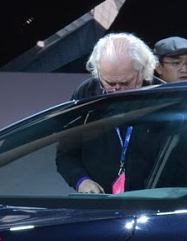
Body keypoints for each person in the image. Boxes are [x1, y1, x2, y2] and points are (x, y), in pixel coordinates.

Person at [57, 33, 157, 192]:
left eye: (125, 83)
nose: (117, 90)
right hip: (101, 200)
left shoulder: (163, 96)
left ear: (143, 70)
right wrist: (81, 181)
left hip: (153, 198)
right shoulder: (86, 94)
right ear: (98, 73)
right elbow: (65, 153)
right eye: (109, 83)